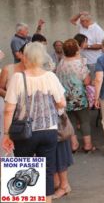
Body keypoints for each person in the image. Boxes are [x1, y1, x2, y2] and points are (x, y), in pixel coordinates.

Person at [2, 42, 66, 202]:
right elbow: (62, 103)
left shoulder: (18, 78)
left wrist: (6, 134)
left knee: (23, 169)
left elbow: (9, 109)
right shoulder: (51, 76)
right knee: (48, 170)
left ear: (26, 57)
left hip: (24, 132)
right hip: (49, 129)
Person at [56, 39, 95, 153]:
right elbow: (87, 81)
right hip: (79, 97)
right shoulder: (80, 63)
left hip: (65, 96)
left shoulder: (61, 63)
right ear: (77, 49)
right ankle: (88, 145)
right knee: (84, 120)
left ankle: (74, 144)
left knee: (71, 120)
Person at [70, 12, 104, 79]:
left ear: (86, 21)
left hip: (93, 61)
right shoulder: (82, 25)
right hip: (82, 61)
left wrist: (87, 46)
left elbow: (101, 45)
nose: (79, 23)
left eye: (81, 21)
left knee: (93, 82)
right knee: (85, 82)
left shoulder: (98, 30)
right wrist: (79, 14)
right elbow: (72, 20)